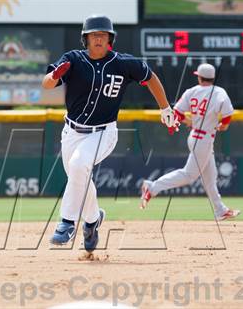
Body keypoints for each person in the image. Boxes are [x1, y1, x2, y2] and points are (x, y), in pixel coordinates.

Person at [42, 15, 179, 252]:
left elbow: (151, 77)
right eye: (94, 35)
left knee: (78, 167)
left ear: (110, 39)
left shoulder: (123, 63)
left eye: (103, 35)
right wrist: (54, 76)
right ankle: (93, 221)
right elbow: (46, 84)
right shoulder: (73, 59)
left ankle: (66, 223)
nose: (98, 39)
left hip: (103, 132)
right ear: (85, 39)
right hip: (72, 132)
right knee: (80, 177)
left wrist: (165, 107)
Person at [140, 63, 240, 221]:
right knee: (188, 175)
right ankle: (152, 187)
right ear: (213, 77)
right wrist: (224, 126)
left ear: (200, 77)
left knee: (210, 177)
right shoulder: (219, 92)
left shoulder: (191, 91)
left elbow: (177, 112)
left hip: (196, 137)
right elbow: (227, 115)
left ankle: (220, 209)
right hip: (204, 139)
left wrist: (184, 120)